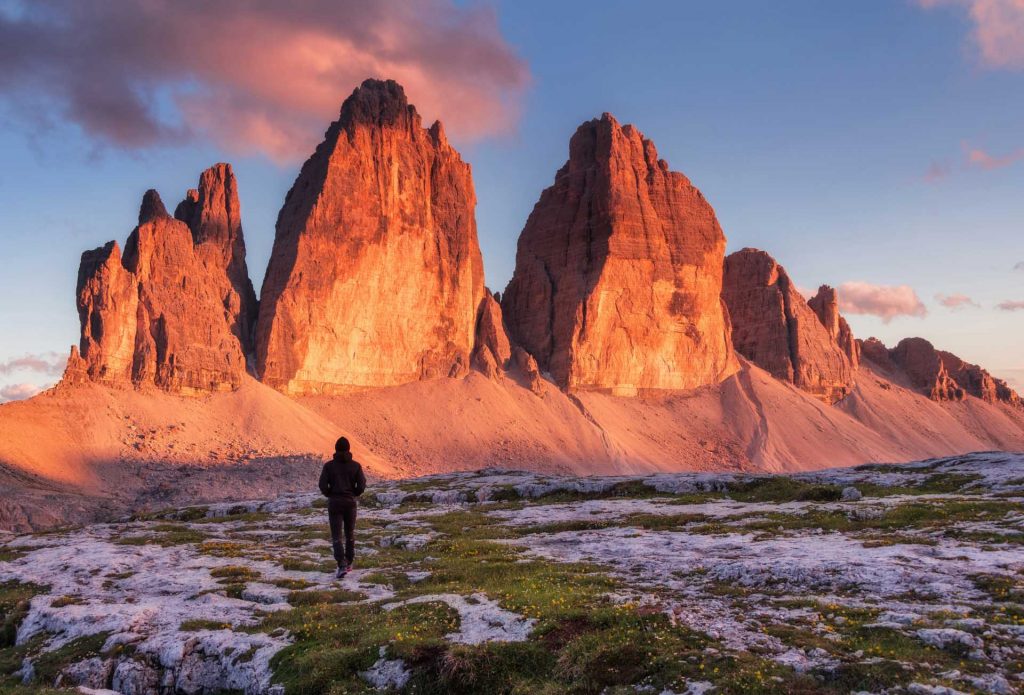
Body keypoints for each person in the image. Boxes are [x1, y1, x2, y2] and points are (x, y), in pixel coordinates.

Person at [318, 436, 367, 578]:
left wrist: (330, 494)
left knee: (337, 536)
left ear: (335, 449)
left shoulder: (329, 466)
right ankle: (349, 561)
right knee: (350, 534)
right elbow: (362, 485)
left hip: (335, 503)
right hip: (350, 503)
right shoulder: (356, 466)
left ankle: (342, 564)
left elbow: (322, 485)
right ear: (349, 449)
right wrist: (354, 494)